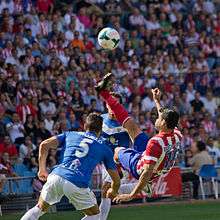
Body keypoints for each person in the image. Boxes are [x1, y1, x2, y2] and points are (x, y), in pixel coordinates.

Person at [95, 73, 182, 203]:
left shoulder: (155, 142)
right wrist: (157, 101)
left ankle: (117, 184)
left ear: (163, 123)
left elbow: (146, 172)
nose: (156, 119)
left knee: (117, 151)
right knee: (132, 126)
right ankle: (104, 93)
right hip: (156, 163)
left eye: (159, 118)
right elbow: (163, 115)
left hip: (140, 168)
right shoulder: (176, 133)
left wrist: (131, 195)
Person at [20, 113, 120, 220]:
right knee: (95, 215)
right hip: (77, 181)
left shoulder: (70, 134)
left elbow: (44, 144)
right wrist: (113, 191)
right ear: (100, 130)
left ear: (85, 126)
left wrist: (42, 169)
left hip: (56, 176)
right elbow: (116, 180)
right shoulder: (105, 148)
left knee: (39, 208)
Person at [99, 92, 132, 220]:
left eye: (116, 104)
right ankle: (138, 187)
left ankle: (101, 219)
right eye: (111, 104)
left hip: (117, 160)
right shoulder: (101, 119)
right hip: (104, 161)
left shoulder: (126, 122)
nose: (113, 107)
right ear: (107, 105)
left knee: (105, 190)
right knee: (108, 192)